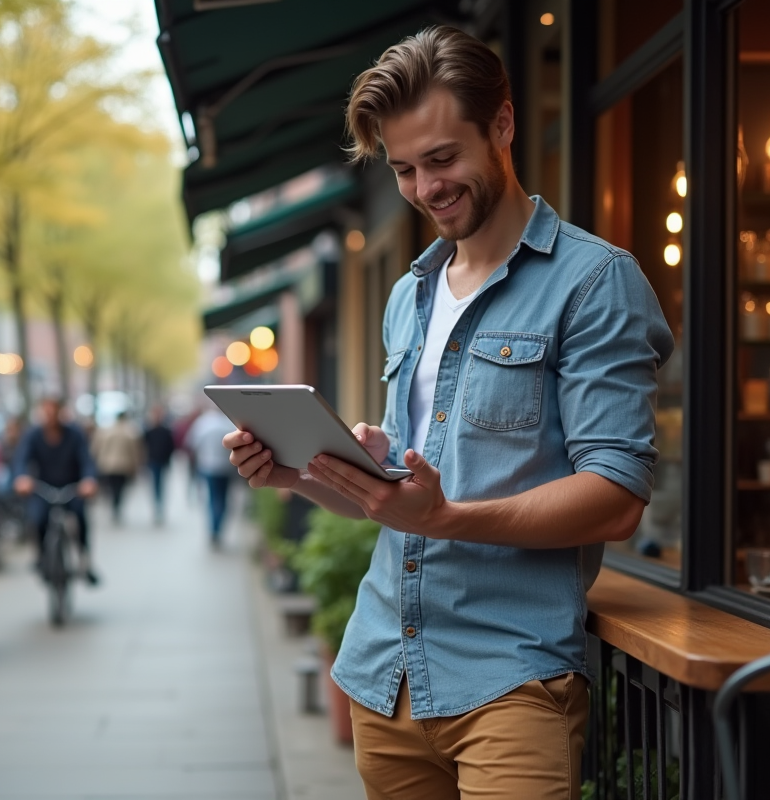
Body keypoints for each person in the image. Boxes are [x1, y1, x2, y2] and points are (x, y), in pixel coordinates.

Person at [224, 26, 673, 800]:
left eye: (441, 159)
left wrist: (448, 517)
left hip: (510, 684)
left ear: (502, 124)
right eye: (403, 169)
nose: (426, 188)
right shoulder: (410, 294)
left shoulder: (595, 282)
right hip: (384, 675)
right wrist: (301, 472)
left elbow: (617, 496)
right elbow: (399, 503)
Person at [13, 397, 100, 583]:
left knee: (80, 518)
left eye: (54, 412)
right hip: (44, 488)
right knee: (37, 519)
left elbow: (86, 460)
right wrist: (22, 478)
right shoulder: (33, 435)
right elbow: (21, 459)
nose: (50, 416)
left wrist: (89, 480)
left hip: (72, 488)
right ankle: (41, 556)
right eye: (47, 412)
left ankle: (84, 560)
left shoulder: (75, 434)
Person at [185, 402, 237, 546]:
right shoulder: (228, 423)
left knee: (212, 498)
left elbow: (192, 443)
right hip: (226, 467)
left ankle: (213, 529)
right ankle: (218, 528)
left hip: (207, 466)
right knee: (223, 499)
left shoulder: (203, 423)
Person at [91, 411, 141, 526]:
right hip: (124, 465)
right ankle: (117, 506)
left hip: (108, 465)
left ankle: (114, 505)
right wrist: (136, 465)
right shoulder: (130, 432)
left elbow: (96, 447)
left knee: (112, 487)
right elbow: (134, 451)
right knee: (120, 488)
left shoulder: (106, 431)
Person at [142, 405, 176, 525]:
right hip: (153, 461)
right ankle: (157, 506)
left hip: (162, 461)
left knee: (160, 484)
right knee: (156, 484)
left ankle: (159, 506)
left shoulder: (166, 431)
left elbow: (171, 446)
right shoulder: (148, 431)